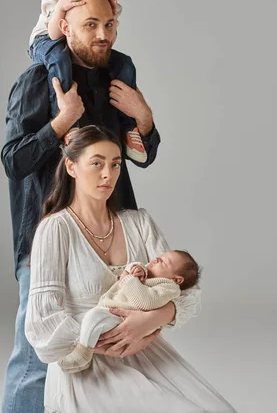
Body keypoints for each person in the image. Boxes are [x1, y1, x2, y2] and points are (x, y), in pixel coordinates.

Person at [1, 0, 161, 413]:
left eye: (109, 25)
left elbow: (137, 157)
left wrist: (143, 118)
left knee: (105, 357)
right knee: (37, 360)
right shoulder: (37, 81)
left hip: (108, 244)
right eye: (90, 24)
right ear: (64, 26)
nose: (103, 34)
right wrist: (61, 122)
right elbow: (14, 162)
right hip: (47, 236)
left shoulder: (118, 82)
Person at [25, 126, 236, 413]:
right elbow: (41, 322)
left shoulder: (139, 223)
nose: (108, 174)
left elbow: (188, 292)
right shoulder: (55, 229)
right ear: (72, 167)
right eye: (97, 163)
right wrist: (101, 339)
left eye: (115, 164)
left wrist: (153, 320)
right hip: (87, 365)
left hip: (147, 352)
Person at [28, 0, 145, 161]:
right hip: (46, 39)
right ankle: (67, 120)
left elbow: (107, 36)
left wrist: (111, 17)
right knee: (60, 59)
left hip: (78, 46)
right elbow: (54, 34)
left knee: (125, 63)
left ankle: (129, 127)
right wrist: (62, 6)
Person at [57, 250, 201, 373]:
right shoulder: (146, 273)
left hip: (123, 319)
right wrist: (136, 269)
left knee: (94, 318)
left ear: (176, 279)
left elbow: (144, 301)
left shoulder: (168, 288)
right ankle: (78, 348)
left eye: (163, 262)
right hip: (110, 309)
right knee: (84, 320)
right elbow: (133, 266)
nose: (156, 259)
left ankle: (83, 353)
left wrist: (129, 279)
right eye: (159, 256)